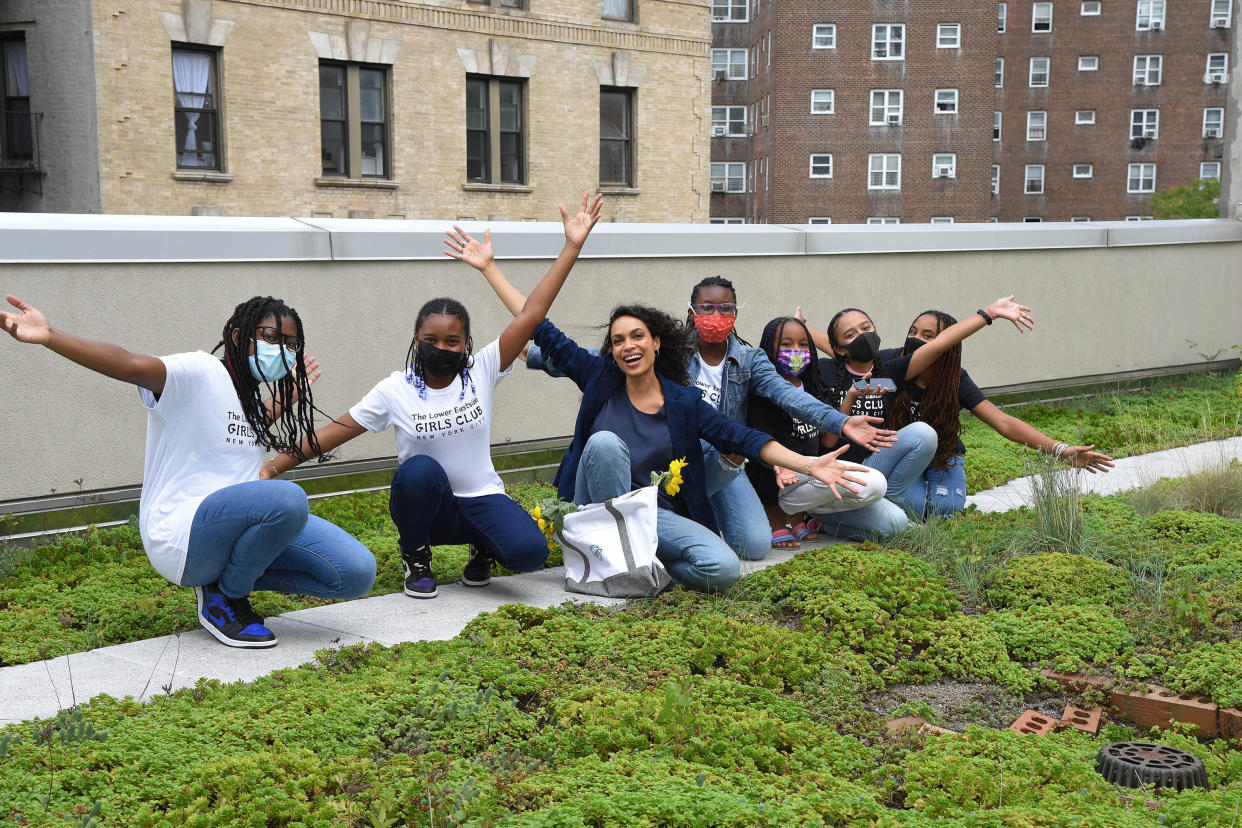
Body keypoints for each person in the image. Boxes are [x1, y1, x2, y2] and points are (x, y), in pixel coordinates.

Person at [267, 193, 603, 599]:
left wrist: (571, 247)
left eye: (452, 340)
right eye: (431, 339)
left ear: (466, 343)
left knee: (529, 553)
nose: (441, 347)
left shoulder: (483, 368)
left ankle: (484, 546)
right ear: (416, 339)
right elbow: (334, 431)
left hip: (481, 499)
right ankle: (416, 553)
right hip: (431, 507)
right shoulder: (396, 389)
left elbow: (531, 315)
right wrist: (272, 467)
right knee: (418, 471)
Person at [0, 294, 376, 648]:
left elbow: (233, 427)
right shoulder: (199, 371)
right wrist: (50, 336)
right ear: (236, 335)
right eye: (271, 336)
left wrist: (278, 404)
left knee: (355, 571)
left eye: (291, 344)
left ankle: (228, 579)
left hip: (237, 527)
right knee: (289, 499)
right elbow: (128, 363)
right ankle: (226, 598)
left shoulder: (250, 404)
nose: (282, 349)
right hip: (181, 533)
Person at [518, 274, 899, 557]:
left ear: (736, 313)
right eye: (707, 308)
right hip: (674, 460)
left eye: (726, 309)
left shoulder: (750, 360)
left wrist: (840, 421)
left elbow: (789, 395)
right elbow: (608, 358)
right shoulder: (666, 352)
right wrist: (536, 356)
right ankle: (671, 531)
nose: (716, 315)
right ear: (692, 312)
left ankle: (708, 527)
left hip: (721, 459)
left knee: (752, 546)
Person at [798, 296, 1034, 535]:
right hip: (835, 471)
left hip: (874, 469)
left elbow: (940, 345)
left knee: (923, 444)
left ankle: (887, 503)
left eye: (866, 328)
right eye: (851, 335)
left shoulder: (885, 375)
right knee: (899, 527)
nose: (861, 336)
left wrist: (989, 314)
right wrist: (849, 396)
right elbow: (827, 440)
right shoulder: (825, 371)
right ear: (839, 348)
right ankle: (829, 520)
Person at [889, 310, 1115, 517]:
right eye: (913, 331)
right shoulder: (890, 365)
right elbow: (855, 378)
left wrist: (1060, 450)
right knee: (913, 509)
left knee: (945, 509)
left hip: (943, 455)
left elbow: (1003, 421)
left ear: (947, 343)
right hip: (904, 455)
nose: (916, 338)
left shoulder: (954, 379)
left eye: (928, 336)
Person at [745, 316, 896, 547]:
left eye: (803, 345)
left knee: (874, 485)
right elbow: (759, 441)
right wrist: (779, 464)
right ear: (768, 349)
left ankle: (799, 515)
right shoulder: (762, 392)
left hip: (808, 473)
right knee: (773, 473)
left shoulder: (814, 386)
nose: (796, 351)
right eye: (786, 344)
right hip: (770, 475)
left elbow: (827, 442)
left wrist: (850, 400)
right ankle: (774, 516)